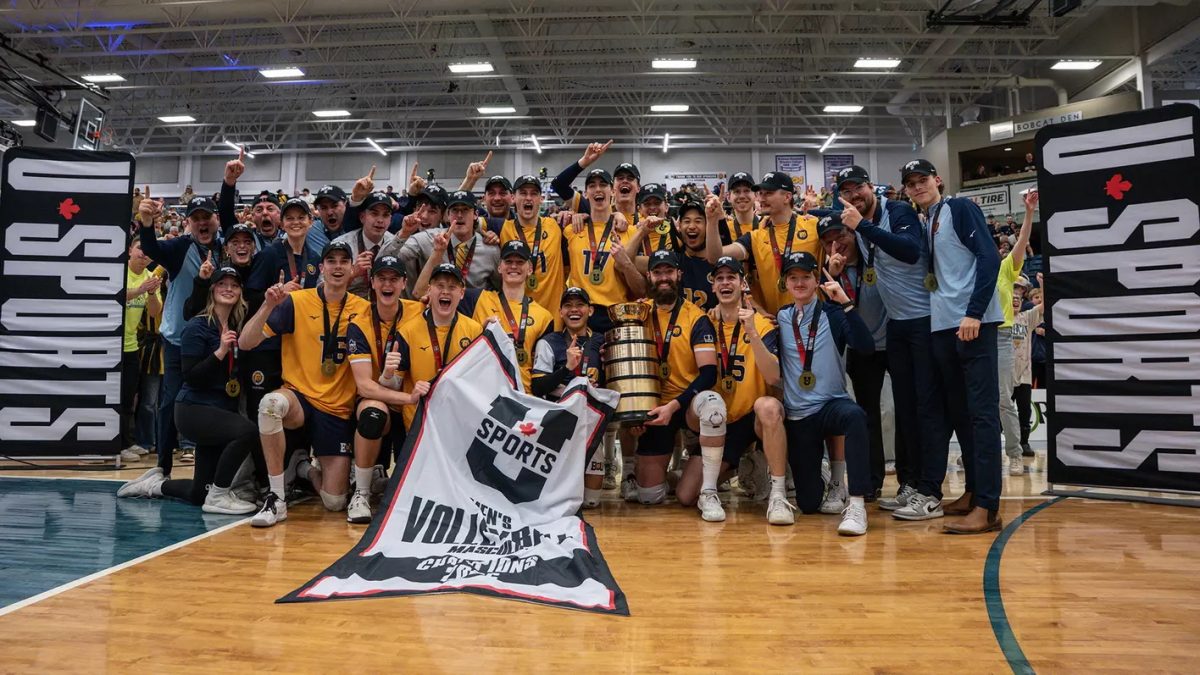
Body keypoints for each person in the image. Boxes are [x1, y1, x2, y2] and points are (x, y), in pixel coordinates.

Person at [820, 165, 945, 520]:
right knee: (904, 410)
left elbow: (908, 251)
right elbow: (826, 219)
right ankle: (910, 484)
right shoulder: (853, 229)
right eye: (846, 191)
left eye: (858, 187)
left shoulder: (898, 211)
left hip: (923, 321)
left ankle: (928, 487)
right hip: (899, 330)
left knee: (922, 409)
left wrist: (862, 226)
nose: (854, 195)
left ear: (870, 187)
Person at [901, 158, 1004, 534]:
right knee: (961, 415)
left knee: (982, 415)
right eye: (910, 183)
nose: (917, 187)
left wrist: (975, 312)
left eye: (922, 180)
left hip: (972, 322)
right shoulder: (928, 220)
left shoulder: (959, 208)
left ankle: (988, 507)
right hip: (944, 324)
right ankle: (974, 492)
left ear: (938, 180)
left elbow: (989, 257)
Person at [239, 242, 375, 527]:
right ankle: (276, 499)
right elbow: (245, 342)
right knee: (270, 405)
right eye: (331, 261)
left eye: (343, 261)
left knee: (335, 502)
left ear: (352, 269)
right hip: (299, 396)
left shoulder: (364, 309)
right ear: (321, 268)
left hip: (337, 409)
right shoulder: (297, 301)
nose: (337, 266)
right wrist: (268, 305)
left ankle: (303, 468)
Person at [118, 267, 261, 515]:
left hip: (218, 410)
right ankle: (220, 494)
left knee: (198, 493)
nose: (229, 289)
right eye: (222, 284)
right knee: (247, 431)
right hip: (194, 409)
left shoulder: (237, 326)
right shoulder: (198, 326)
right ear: (212, 290)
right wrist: (220, 353)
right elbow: (191, 376)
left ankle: (156, 487)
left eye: (234, 285)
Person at [775, 252, 875, 536]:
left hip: (832, 406)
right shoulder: (781, 318)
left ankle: (855, 503)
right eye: (793, 277)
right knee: (808, 504)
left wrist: (845, 303)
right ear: (785, 283)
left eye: (806, 276)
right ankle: (824, 475)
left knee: (855, 416)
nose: (800, 282)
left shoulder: (833, 313)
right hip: (799, 416)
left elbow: (865, 347)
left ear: (816, 280)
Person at [629, 251, 726, 522]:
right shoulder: (639, 313)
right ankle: (682, 474)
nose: (663, 278)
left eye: (668, 272)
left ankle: (713, 478)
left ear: (678, 275)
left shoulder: (696, 317)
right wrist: (636, 415)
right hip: (656, 405)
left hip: (687, 403)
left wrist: (674, 405)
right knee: (648, 496)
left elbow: (708, 373)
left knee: (712, 404)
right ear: (649, 276)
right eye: (657, 273)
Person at [138, 190, 222, 479]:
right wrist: (147, 223)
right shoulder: (179, 248)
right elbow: (152, 249)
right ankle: (163, 465)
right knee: (170, 400)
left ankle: (210, 468)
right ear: (188, 223)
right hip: (178, 339)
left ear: (217, 219)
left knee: (215, 400)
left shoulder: (228, 247)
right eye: (195, 218)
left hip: (215, 340)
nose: (202, 223)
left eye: (206, 217)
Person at [343, 255, 431, 523]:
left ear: (404, 283)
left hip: (411, 404)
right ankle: (361, 492)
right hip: (381, 399)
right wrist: (407, 397)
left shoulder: (419, 312)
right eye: (382, 278)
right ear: (372, 282)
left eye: (394, 279)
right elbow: (365, 386)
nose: (387, 284)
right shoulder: (358, 322)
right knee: (372, 414)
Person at [706, 256, 793, 525]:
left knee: (767, 407)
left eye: (731, 277)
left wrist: (753, 332)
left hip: (751, 417)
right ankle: (745, 463)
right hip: (720, 422)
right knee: (686, 493)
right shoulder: (704, 322)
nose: (725, 283)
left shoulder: (764, 325)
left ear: (743, 284)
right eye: (719, 278)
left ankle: (778, 494)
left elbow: (774, 376)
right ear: (712, 287)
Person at [703, 171, 822, 314]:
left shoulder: (814, 226)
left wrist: (820, 212)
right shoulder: (756, 236)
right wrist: (711, 220)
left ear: (787, 196)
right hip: (774, 320)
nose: (762, 198)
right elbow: (715, 257)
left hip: (815, 319)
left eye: (769, 193)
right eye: (761, 193)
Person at [531, 287, 606, 506]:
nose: (574, 310)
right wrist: (567, 369)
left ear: (590, 310)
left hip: (591, 422)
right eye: (568, 305)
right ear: (561, 312)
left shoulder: (603, 342)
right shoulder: (548, 342)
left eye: (580, 305)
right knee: (555, 501)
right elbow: (537, 387)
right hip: (557, 423)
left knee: (591, 502)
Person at [388, 263, 484, 432]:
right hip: (419, 426)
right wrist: (387, 374)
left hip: (458, 425)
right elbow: (393, 385)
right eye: (439, 286)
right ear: (429, 290)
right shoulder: (408, 331)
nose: (445, 291)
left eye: (452, 287)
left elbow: (481, 381)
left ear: (461, 293)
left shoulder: (475, 330)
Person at [450, 241, 555, 392]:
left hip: (523, 395)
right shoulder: (476, 299)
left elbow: (542, 368)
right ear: (499, 267)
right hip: (484, 393)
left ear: (530, 269)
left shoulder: (544, 317)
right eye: (508, 261)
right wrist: (481, 331)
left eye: (520, 262)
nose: (513, 266)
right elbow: (441, 306)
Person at [563, 169, 645, 333]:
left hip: (616, 315)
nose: (598, 189)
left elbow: (641, 290)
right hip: (581, 316)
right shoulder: (572, 230)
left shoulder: (629, 232)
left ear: (613, 191)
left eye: (603, 185)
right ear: (585, 193)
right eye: (592, 186)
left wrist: (627, 264)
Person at [996, 190, 1038, 476]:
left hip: (1000, 337)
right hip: (971, 338)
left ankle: (1013, 453)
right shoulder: (965, 273)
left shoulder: (1004, 269)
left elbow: (1021, 242)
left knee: (1002, 400)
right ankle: (972, 452)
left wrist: (1029, 213)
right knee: (969, 403)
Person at [396, 190, 501, 293]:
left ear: (475, 214)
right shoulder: (428, 239)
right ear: (448, 215)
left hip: (474, 308)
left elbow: (500, 288)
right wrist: (403, 234)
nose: (459, 215)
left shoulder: (490, 249)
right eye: (455, 210)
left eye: (465, 210)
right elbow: (388, 258)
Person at [499, 175, 567, 318]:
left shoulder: (555, 226)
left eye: (534, 193)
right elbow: (468, 218)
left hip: (552, 321)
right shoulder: (503, 228)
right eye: (523, 193)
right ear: (513, 198)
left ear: (541, 199)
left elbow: (593, 218)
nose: (528, 198)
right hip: (516, 320)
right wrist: (470, 179)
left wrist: (617, 214)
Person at [121, 240, 162, 461]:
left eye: (147, 253)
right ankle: (113, 443)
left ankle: (126, 442)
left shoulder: (150, 277)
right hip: (108, 344)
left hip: (131, 345)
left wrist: (153, 293)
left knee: (128, 398)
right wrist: (140, 290)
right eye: (140, 249)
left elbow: (155, 313)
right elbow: (114, 296)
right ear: (129, 250)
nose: (143, 255)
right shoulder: (117, 271)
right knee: (113, 397)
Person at [331, 191, 396, 298]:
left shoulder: (396, 244)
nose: (380, 220)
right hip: (348, 307)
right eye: (374, 214)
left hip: (385, 307)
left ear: (390, 219)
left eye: (385, 215)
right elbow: (323, 288)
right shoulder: (341, 246)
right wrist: (351, 274)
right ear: (362, 217)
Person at [1010, 276, 1043, 460]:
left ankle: (1024, 442)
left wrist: (1042, 283)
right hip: (1004, 374)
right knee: (1000, 411)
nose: (1015, 301)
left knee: (1025, 410)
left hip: (1024, 374)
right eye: (1012, 297)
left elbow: (1044, 305)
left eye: (1019, 298)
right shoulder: (1000, 319)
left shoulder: (1027, 318)